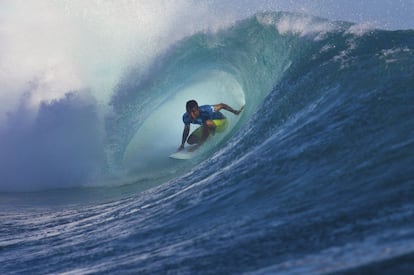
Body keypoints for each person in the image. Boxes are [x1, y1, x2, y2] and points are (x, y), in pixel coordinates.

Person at [179, 100, 244, 151]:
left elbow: (222, 105)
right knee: (190, 140)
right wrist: (182, 145)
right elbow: (186, 130)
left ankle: (201, 144)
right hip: (208, 126)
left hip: (221, 124)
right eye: (189, 112)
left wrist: (235, 112)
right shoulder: (186, 117)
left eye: (193, 111)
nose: (191, 115)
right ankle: (208, 139)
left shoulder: (207, 110)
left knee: (207, 123)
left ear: (198, 109)